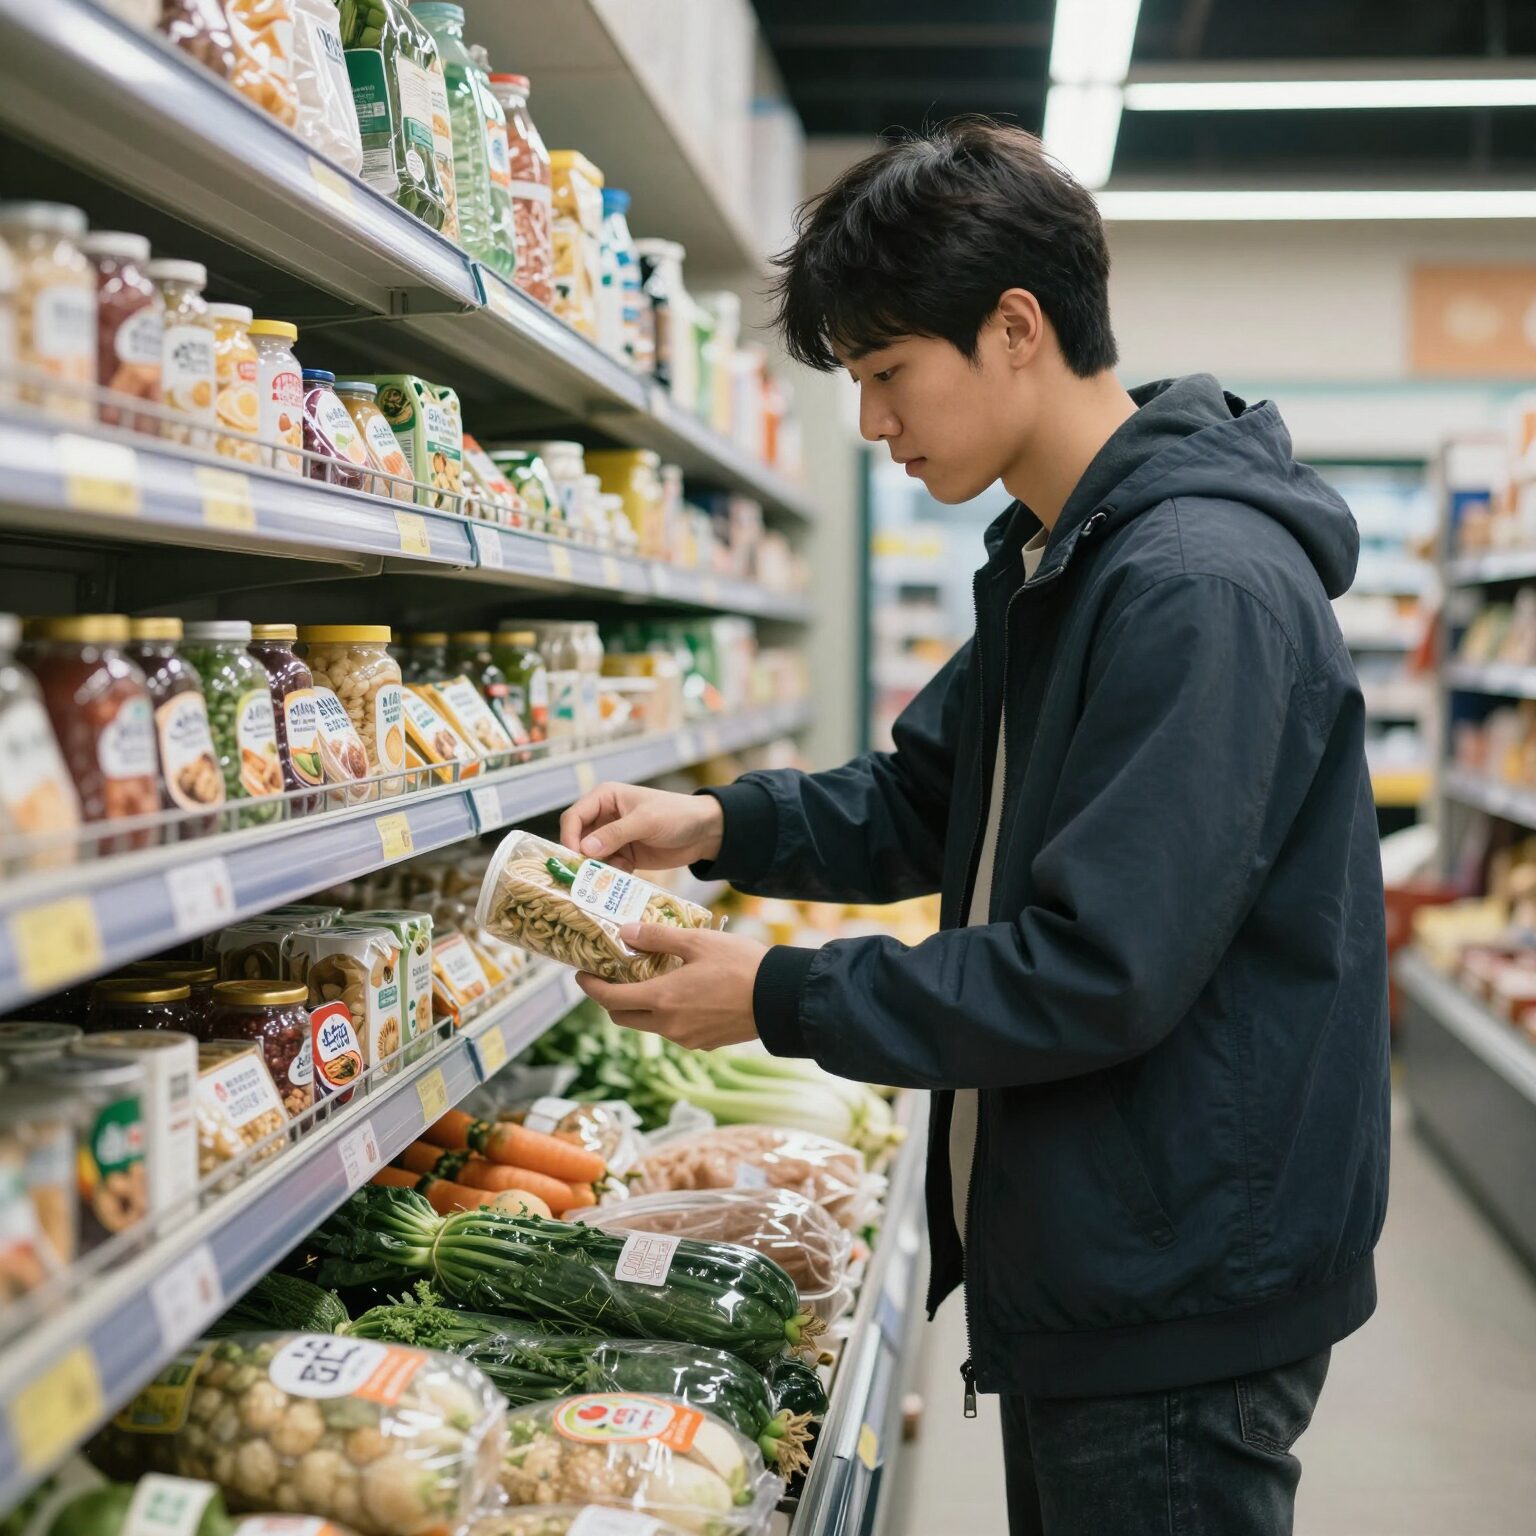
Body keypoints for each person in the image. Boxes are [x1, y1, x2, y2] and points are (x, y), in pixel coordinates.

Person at [560, 118, 1391, 1536]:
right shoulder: (1064, 557)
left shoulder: (1193, 586)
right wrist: (714, 823)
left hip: (1177, 1267)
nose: (875, 427)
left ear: (1016, 328)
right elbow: (929, 801)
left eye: (888, 374)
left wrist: (774, 994)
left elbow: (1097, 964)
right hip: (1107, 1235)